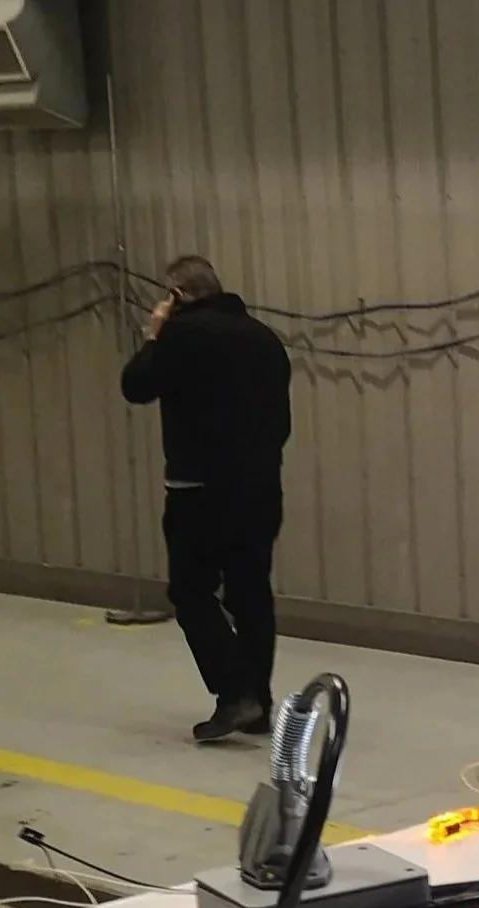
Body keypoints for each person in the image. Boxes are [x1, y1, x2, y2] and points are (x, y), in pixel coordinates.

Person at [119, 255, 294, 743]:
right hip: (261, 487)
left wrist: (155, 332)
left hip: (199, 489)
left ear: (176, 295)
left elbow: (135, 386)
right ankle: (258, 703)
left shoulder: (180, 336)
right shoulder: (264, 338)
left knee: (191, 591)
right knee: (250, 591)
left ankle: (234, 693)